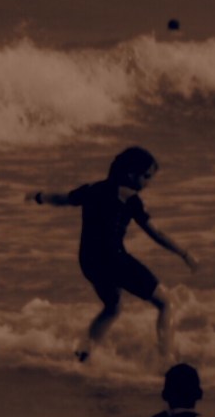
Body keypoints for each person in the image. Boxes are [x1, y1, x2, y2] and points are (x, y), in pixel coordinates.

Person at [26, 147, 198, 361]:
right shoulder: (130, 199)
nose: (148, 183)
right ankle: (168, 360)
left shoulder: (91, 189)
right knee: (166, 303)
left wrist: (39, 196)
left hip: (89, 261)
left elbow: (61, 198)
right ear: (130, 174)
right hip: (114, 259)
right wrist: (184, 254)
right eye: (146, 177)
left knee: (112, 307)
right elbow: (156, 234)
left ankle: (83, 355)